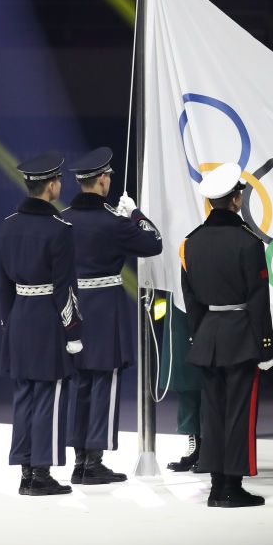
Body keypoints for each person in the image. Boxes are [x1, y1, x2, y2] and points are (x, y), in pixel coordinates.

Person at [62, 147, 163, 484]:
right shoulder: (114, 222)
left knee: (79, 384)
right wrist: (134, 214)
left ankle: (79, 459)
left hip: (70, 308)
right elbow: (154, 243)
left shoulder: (61, 219)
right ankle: (93, 461)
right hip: (104, 308)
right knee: (104, 382)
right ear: (103, 180)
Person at [180, 163, 273, 508]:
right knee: (238, 413)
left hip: (208, 336)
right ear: (235, 199)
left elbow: (190, 298)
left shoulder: (191, 243)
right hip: (240, 336)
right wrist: (265, 345)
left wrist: (199, 337)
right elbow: (257, 298)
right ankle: (231, 486)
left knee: (213, 413)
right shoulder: (248, 242)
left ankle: (216, 485)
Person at [0, 151, 83, 496]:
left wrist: (9, 323)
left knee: (24, 396)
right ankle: (42, 473)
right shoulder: (59, 230)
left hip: (19, 316)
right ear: (50, 185)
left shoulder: (6, 226)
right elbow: (65, 288)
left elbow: (1, 285)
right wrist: (73, 331)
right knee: (49, 393)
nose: (60, 185)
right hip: (47, 318)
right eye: (58, 180)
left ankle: (25, 470)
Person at [161, 301, 204, 473]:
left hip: (209, 295)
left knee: (212, 380)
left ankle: (213, 447)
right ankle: (195, 441)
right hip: (179, 300)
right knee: (186, 376)